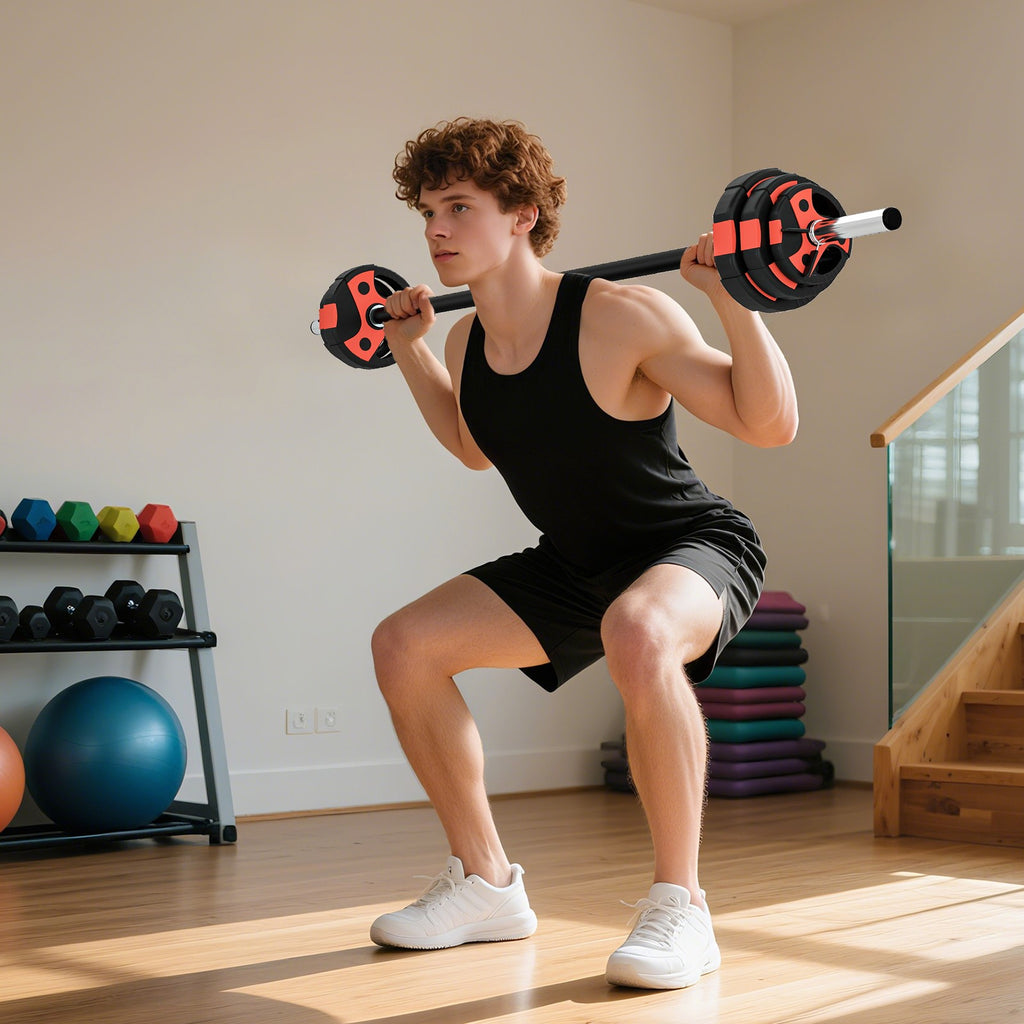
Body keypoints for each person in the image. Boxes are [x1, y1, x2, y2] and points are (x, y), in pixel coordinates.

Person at [368, 118, 797, 990]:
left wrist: (733, 301)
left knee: (637, 631)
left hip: (689, 544)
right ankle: (486, 885)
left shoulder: (620, 314)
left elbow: (769, 424)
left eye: (458, 207)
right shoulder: (464, 341)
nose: (435, 231)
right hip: (575, 560)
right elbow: (472, 443)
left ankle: (682, 908)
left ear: (522, 213)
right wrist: (412, 352)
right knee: (403, 646)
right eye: (427, 211)